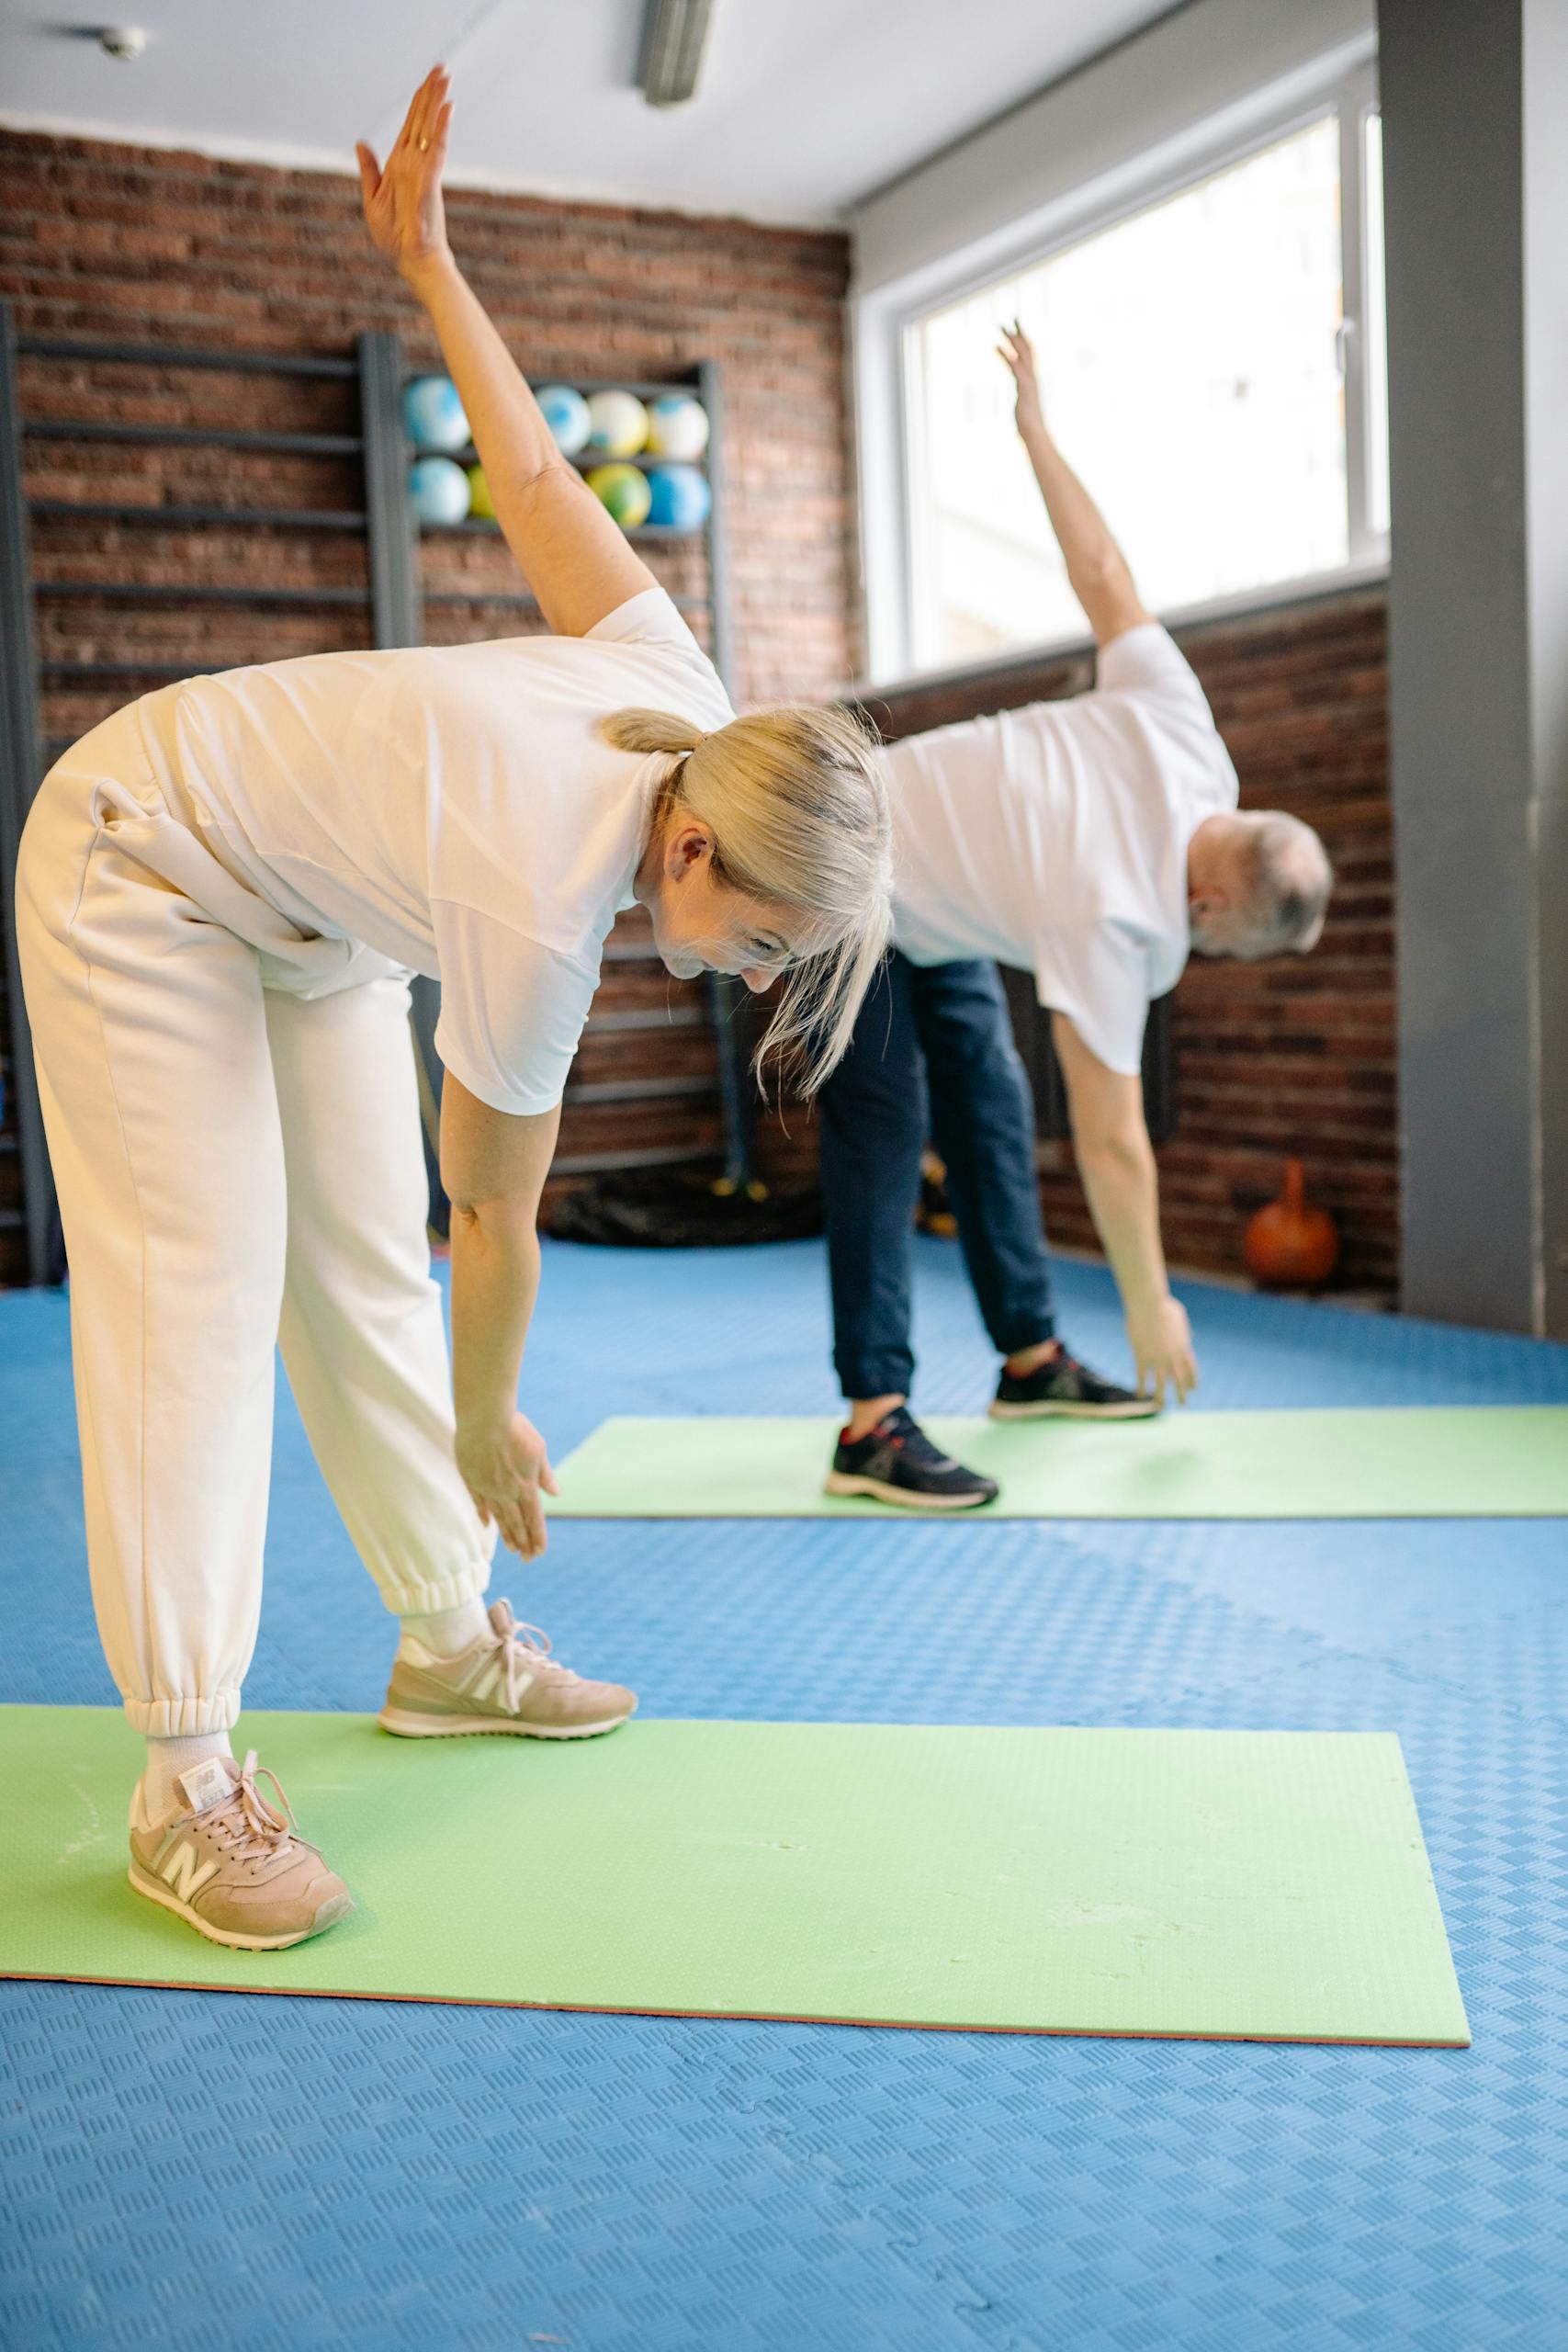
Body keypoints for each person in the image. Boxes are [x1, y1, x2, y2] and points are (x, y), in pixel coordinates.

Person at [15, 68, 892, 1950]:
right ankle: (185, 1777)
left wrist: (433, 263)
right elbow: (496, 1212)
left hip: (308, 906)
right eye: (758, 948)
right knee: (201, 1277)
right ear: (691, 865)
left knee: (360, 1265)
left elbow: (538, 479)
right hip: (137, 847)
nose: (744, 980)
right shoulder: (537, 901)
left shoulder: (682, 691)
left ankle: (441, 1643)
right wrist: (496, 1425)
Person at [822, 323, 1330, 1510]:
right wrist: (1152, 1296)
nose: (1203, 954)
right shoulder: (1118, 919)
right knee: (885, 1124)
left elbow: (1101, 570)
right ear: (1210, 906)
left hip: (932, 905)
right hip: (833, 872)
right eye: (1223, 945)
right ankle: (870, 1425)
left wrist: (1037, 431)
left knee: (992, 1102)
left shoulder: (1187, 730)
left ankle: (1030, 1360)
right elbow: (1112, 1140)